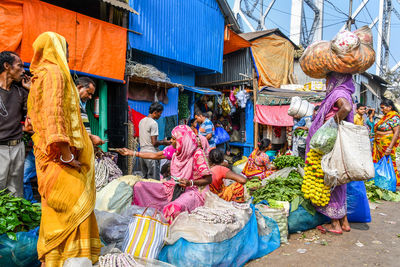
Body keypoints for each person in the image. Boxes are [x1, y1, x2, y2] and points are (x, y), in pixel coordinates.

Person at [27, 32, 100, 265]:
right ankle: (74, 259)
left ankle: (56, 260)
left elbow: (34, 122)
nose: (67, 55)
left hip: (46, 159)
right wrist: (68, 157)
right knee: (78, 208)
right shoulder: (55, 74)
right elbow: (55, 119)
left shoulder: (38, 78)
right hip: (59, 160)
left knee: (55, 210)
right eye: (65, 49)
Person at [132, 125, 212, 223]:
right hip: (173, 187)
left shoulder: (197, 154)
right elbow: (157, 155)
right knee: (139, 186)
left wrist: (190, 183)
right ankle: (144, 219)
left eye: (174, 139)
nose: (171, 141)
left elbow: (209, 180)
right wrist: (133, 153)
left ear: (182, 141)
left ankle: (165, 230)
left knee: (174, 208)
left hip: (193, 191)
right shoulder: (176, 150)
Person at [307, 72, 354, 235]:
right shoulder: (346, 93)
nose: (326, 82)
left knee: (330, 180)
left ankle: (335, 224)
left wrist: (330, 125)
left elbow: (345, 108)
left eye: (327, 79)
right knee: (340, 181)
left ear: (336, 79)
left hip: (330, 145)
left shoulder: (338, 93)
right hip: (337, 144)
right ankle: (345, 222)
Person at [0, 51, 31, 197]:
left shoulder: (20, 92)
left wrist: (32, 90)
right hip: (0, 148)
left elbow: (32, 117)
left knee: (15, 194)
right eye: (20, 66)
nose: (23, 70)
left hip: (18, 147)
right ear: (7, 66)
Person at [139, 102, 170, 180]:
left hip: (142, 153)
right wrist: (164, 142)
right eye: (160, 113)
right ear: (155, 112)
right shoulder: (153, 123)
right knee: (154, 180)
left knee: (144, 179)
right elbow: (154, 143)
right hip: (151, 154)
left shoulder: (141, 121)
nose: (160, 115)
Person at [372, 99, 400, 185]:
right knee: (381, 163)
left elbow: (396, 133)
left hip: (387, 145)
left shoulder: (394, 117)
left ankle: (393, 182)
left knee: (389, 162)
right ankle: (383, 181)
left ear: (390, 107)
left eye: (383, 108)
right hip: (379, 145)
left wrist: (390, 147)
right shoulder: (385, 117)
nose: (381, 110)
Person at [76, 76, 104, 146]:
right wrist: (91, 137)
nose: (90, 97)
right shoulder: (71, 103)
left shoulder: (81, 104)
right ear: (79, 88)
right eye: (89, 93)